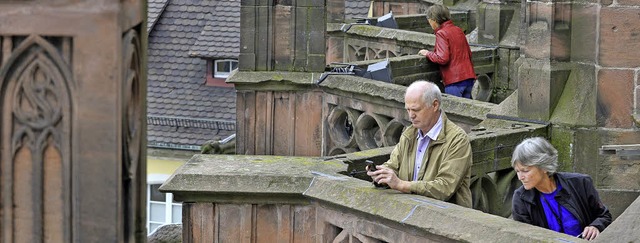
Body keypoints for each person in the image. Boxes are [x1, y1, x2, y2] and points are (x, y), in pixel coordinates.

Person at [367, 80, 472, 208]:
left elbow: (444, 187)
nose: (411, 115)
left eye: (416, 110)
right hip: (411, 212)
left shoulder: (457, 139)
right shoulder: (409, 133)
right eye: (408, 109)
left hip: (444, 218)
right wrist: (381, 174)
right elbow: (394, 165)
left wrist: (401, 185)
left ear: (435, 105)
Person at [511, 137, 612, 240]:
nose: (520, 177)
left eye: (525, 171)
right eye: (517, 171)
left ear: (544, 167)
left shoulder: (581, 183)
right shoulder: (521, 198)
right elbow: (524, 238)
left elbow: (604, 216)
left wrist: (595, 226)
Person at [417, 5, 476, 99]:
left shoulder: (441, 33)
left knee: (454, 111)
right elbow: (468, 53)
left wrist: (427, 53)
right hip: (468, 78)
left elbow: (442, 58)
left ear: (434, 20)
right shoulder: (457, 29)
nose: (430, 24)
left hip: (454, 81)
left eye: (429, 21)